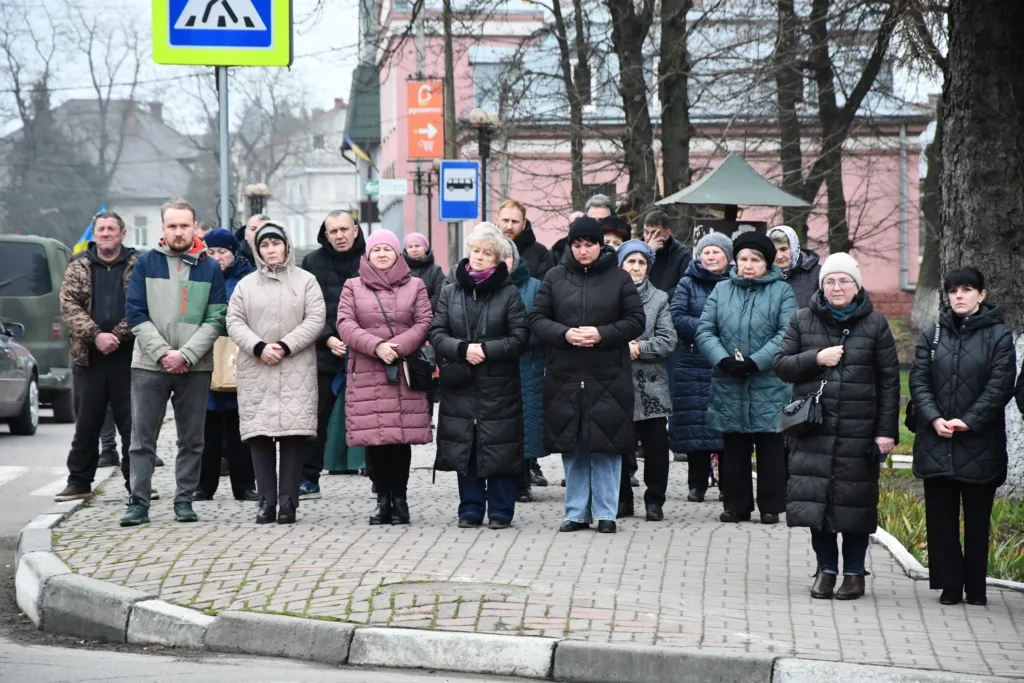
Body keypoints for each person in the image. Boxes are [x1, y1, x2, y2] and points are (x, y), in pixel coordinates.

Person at [774, 253, 900, 601]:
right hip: (813, 429)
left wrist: (886, 431)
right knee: (816, 506)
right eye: (830, 281)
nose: (836, 287)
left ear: (857, 285)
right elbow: (781, 365)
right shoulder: (802, 320)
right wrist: (816, 358)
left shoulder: (875, 324)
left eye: (844, 280)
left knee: (854, 506)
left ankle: (855, 573)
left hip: (859, 432)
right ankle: (826, 569)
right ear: (821, 286)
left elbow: (890, 381)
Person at [528, 216, 645, 534]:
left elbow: (636, 321)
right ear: (570, 245)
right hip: (565, 375)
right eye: (577, 245)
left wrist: (601, 334)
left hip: (608, 375)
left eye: (589, 244)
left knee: (606, 445)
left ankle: (607, 512)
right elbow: (537, 320)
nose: (583, 251)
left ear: (600, 245)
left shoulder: (619, 278)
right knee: (574, 444)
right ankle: (576, 512)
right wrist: (565, 334)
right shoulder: (554, 277)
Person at [910, 267, 1016, 607]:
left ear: (981, 294)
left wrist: (969, 421)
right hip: (937, 438)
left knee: (976, 519)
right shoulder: (933, 334)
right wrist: (934, 418)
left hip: (979, 442)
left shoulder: (1000, 337)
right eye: (953, 290)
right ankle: (949, 585)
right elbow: (918, 381)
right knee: (941, 520)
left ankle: (976, 588)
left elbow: (1000, 385)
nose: (959, 295)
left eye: (967, 289)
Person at [120, 198, 227, 527]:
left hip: (194, 367)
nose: (179, 232)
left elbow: (216, 317)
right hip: (149, 364)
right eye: (172, 225)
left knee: (192, 439)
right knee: (142, 439)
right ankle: (138, 502)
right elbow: (135, 313)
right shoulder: (146, 263)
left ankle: (184, 500)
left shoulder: (209, 267)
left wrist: (187, 354)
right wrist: (165, 353)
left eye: (184, 225)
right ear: (163, 228)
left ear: (195, 227)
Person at [430, 224, 528, 529]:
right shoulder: (450, 291)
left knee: (499, 446)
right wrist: (462, 349)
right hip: (461, 383)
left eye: (487, 253)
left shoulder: (509, 293)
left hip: (499, 384)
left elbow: (519, 336)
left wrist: (484, 350)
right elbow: (436, 332)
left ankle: (501, 510)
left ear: (498, 259)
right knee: (466, 447)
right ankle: (470, 508)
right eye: (476, 251)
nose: (480, 257)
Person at [227, 223, 325, 524]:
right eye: (265, 245)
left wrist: (284, 345)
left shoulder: (306, 281)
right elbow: (234, 320)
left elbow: (316, 318)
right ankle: (266, 502)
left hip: (296, 366)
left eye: (276, 243)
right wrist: (258, 347)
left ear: (287, 246)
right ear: (257, 250)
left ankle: (288, 503)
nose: (271, 250)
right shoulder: (246, 285)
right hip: (257, 367)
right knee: (259, 436)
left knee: (293, 437)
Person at [695, 230, 795, 525]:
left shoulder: (782, 291)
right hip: (729, 378)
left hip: (768, 380)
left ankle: (771, 505)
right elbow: (705, 329)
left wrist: (756, 361)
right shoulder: (722, 290)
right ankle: (735, 505)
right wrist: (722, 359)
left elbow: (786, 332)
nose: (748, 265)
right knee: (734, 445)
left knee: (769, 446)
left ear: (767, 263)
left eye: (755, 259)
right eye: (742, 259)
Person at [337, 230, 433, 525]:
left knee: (400, 439)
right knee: (374, 440)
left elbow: (425, 320)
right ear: (367, 255)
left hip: (403, 369)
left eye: (387, 249)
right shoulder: (352, 286)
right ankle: (381, 499)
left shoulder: (415, 285)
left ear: (397, 254)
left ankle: (400, 500)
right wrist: (376, 347)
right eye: (376, 249)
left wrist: (399, 347)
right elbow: (344, 323)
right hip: (368, 370)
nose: (381, 254)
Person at [54, 211, 137, 502]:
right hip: (88, 358)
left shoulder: (137, 264)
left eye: (111, 229)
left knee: (133, 426)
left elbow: (143, 305)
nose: (105, 234)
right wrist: (96, 336)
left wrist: (117, 334)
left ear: (122, 233)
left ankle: (137, 484)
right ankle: (79, 482)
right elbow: (69, 305)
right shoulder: (79, 265)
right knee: (87, 423)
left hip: (128, 358)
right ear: (94, 234)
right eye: (100, 229)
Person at [299, 211, 366, 491]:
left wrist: (356, 339)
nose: (339, 236)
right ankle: (308, 477)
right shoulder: (312, 262)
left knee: (371, 415)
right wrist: (327, 338)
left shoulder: (371, 258)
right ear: (325, 235)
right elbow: (307, 308)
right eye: (333, 231)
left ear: (355, 230)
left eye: (344, 229)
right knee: (316, 418)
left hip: (365, 350)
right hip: (323, 352)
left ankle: (380, 479)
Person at [193, 229, 257, 502]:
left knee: (240, 429)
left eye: (223, 252)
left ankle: (244, 485)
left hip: (236, 356)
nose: (217, 258)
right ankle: (203, 485)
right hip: (206, 354)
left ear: (234, 253)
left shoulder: (247, 277)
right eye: (211, 252)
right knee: (206, 429)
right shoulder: (198, 274)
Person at [616, 240, 676, 522]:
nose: (636, 268)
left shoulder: (659, 298)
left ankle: (655, 500)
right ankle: (622, 499)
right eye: (631, 262)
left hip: (651, 384)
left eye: (641, 263)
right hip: (616, 383)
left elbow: (668, 339)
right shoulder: (610, 295)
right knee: (619, 445)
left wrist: (639, 348)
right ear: (621, 265)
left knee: (655, 447)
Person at [670, 232, 732, 501]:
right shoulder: (687, 282)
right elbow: (677, 317)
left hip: (726, 363)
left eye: (716, 251)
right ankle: (697, 484)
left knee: (726, 426)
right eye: (706, 252)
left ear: (727, 257)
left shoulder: (736, 283)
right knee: (694, 424)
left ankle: (728, 484)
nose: (710, 256)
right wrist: (709, 329)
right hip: (692, 363)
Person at [501, 237, 547, 502]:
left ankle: (523, 480)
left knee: (527, 424)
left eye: (508, 256)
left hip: (528, 364)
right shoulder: (488, 287)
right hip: (497, 364)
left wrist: (517, 339)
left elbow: (541, 322)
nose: (503, 262)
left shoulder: (535, 287)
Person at [642, 210, 692, 303]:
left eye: (654, 233)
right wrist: (648, 253)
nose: (649, 237)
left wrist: (657, 300)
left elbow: (685, 288)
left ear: (668, 233)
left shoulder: (683, 254)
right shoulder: (637, 251)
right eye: (646, 232)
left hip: (669, 306)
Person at [498, 199, 554, 281]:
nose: (509, 226)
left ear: (524, 224)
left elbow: (545, 289)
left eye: (515, 222)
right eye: (505, 220)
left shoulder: (540, 253)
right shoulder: (484, 249)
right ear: (497, 220)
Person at [767, 225, 821, 309]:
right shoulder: (763, 276)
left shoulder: (817, 274)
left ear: (794, 247)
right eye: (774, 251)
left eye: (784, 249)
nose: (779, 256)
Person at [403, 233, 445, 312]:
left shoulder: (436, 271)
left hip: (429, 316)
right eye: (410, 246)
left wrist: (423, 311)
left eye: (417, 246)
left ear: (425, 248)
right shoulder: (400, 269)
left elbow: (438, 295)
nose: (414, 249)